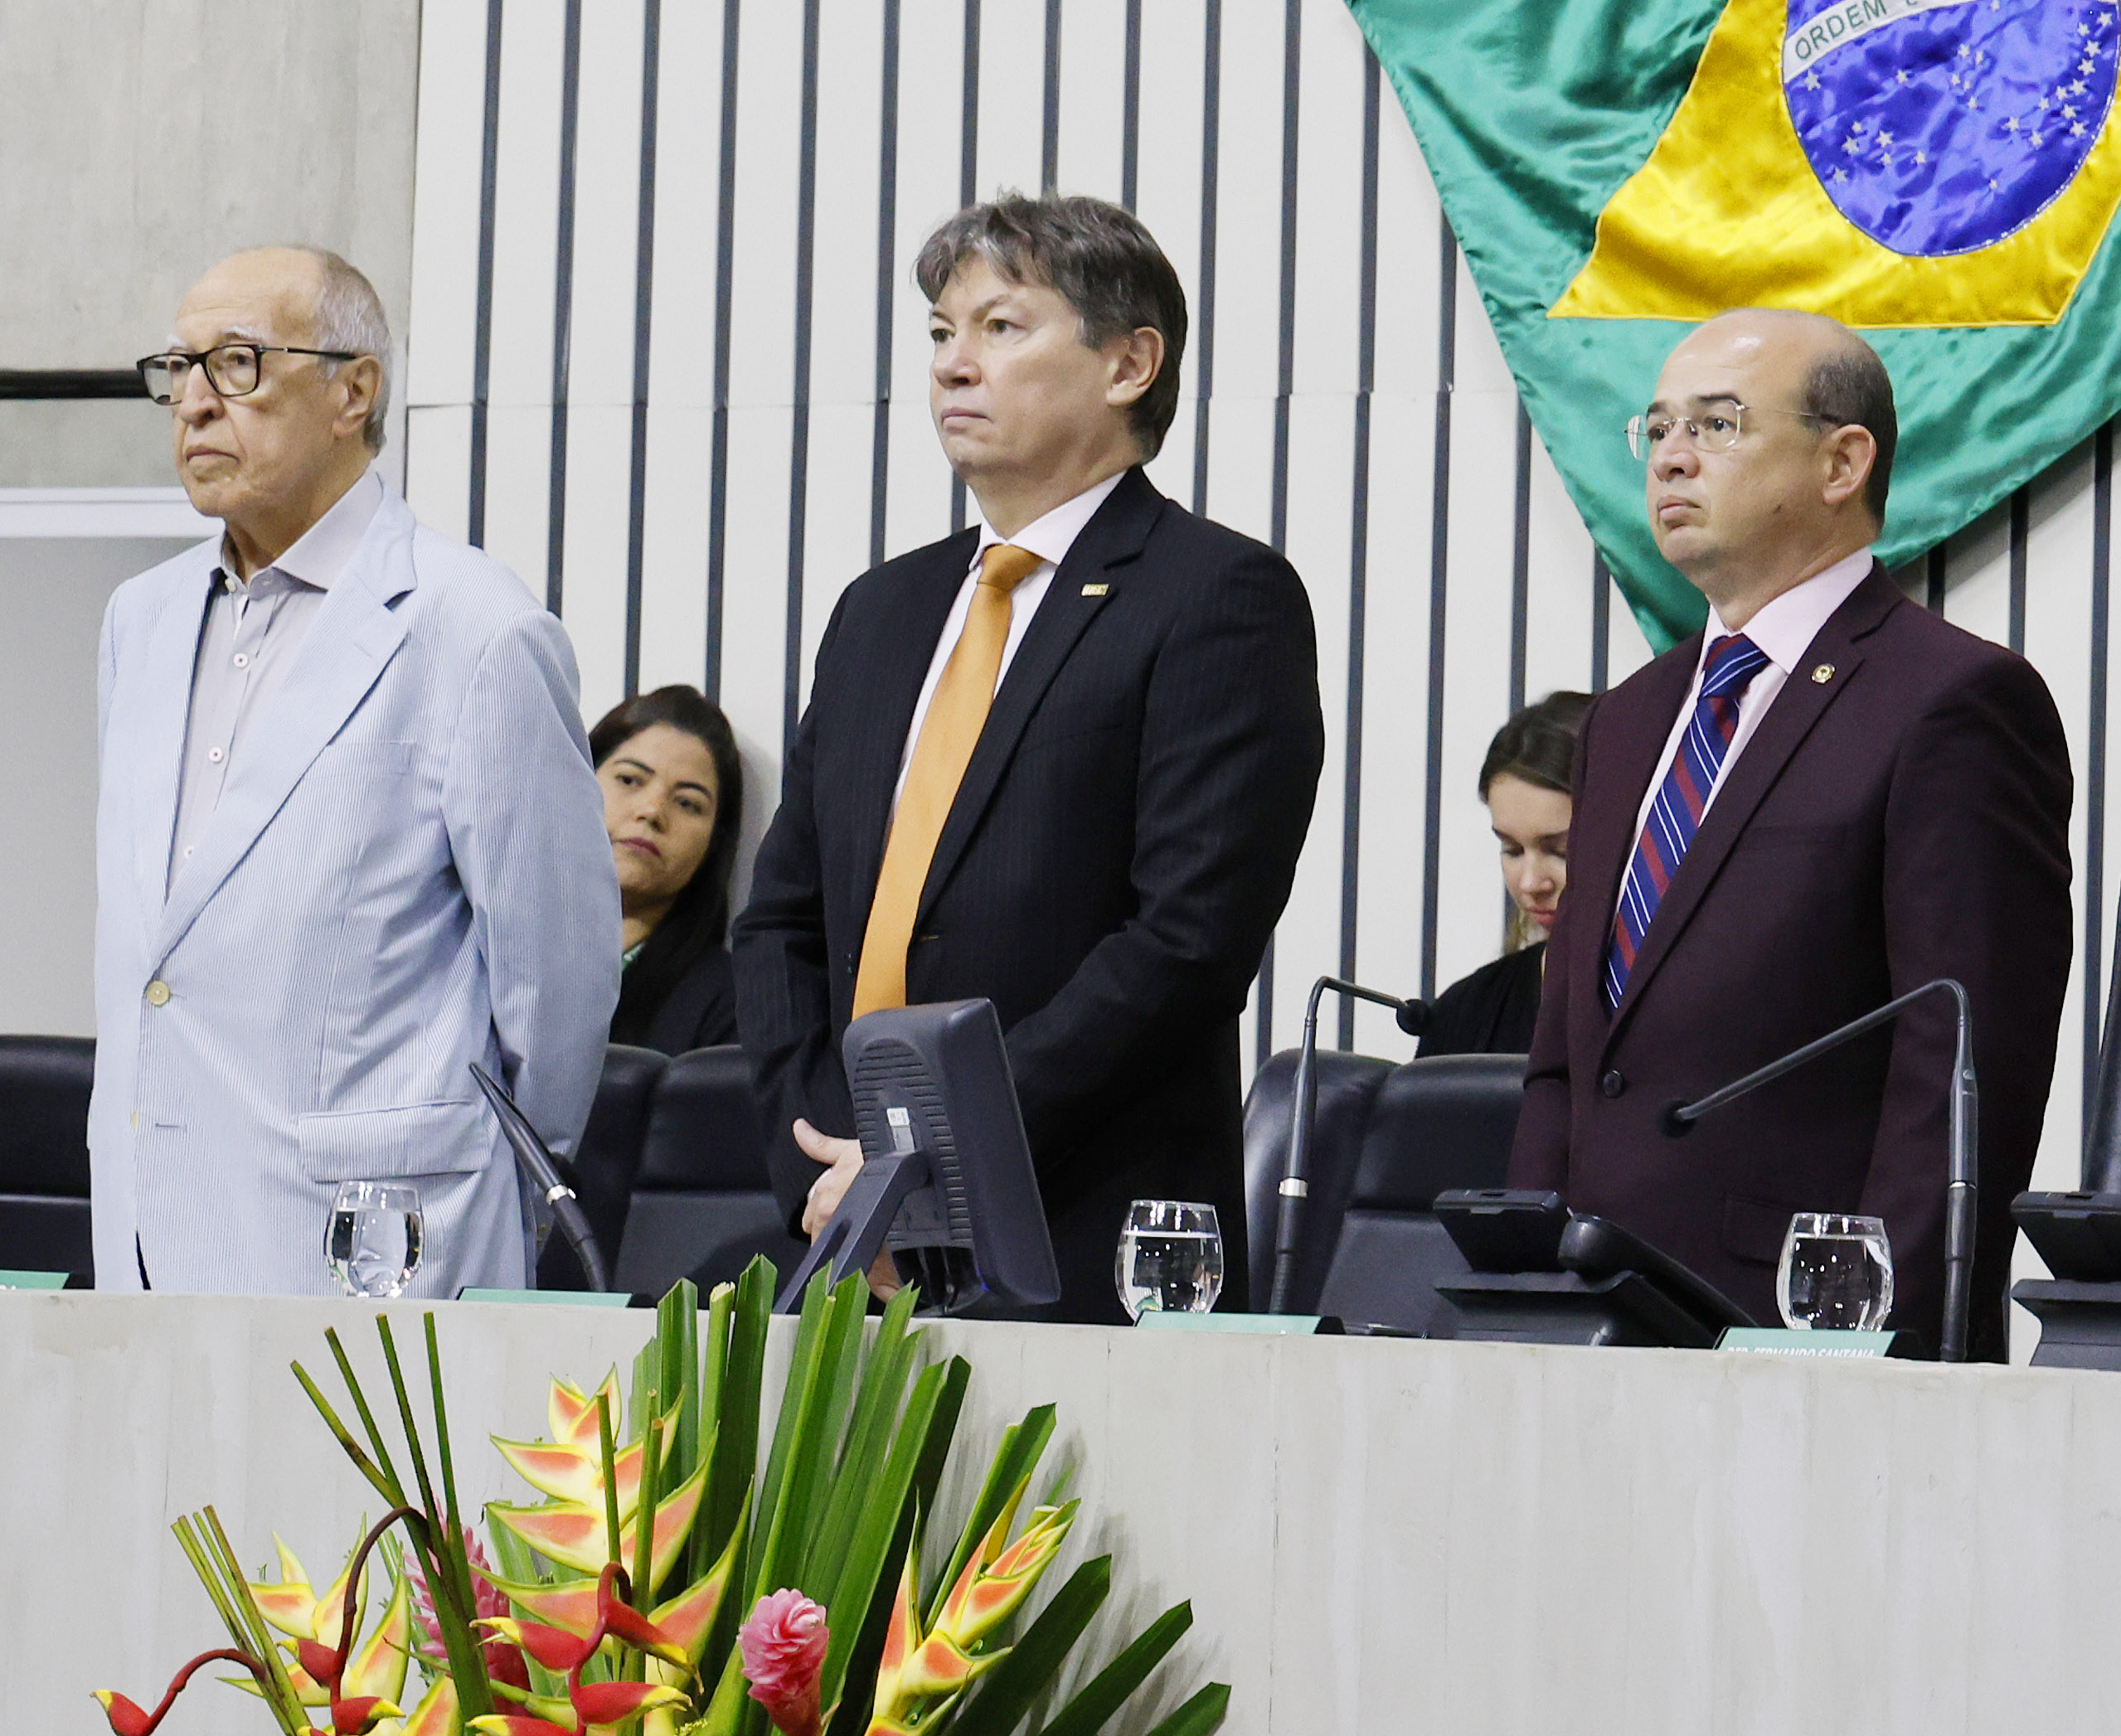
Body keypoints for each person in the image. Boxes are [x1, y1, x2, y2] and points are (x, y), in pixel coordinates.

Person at [735, 195, 1327, 1325]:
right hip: (845, 1232)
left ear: (1129, 363)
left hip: (1084, 1240)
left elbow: (1187, 940)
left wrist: (930, 1157)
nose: (956, 365)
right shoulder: (884, 609)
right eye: (940, 333)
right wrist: (828, 1157)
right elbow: (781, 923)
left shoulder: (1214, 597)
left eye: (1002, 328)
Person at [1507, 312, 2074, 1359]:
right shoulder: (1629, 718)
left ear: (1841, 459)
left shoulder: (1951, 700)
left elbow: (1959, 1063)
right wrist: (1521, 1283)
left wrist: (1873, 1340)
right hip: (1585, 1321)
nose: (1672, 454)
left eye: (1717, 425)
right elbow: (1567, 1056)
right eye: (1660, 427)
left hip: (1799, 1333)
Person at [89, 247, 610, 1297]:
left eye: (234, 364)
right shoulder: (137, 619)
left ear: (352, 390)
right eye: (177, 369)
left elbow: (557, 986)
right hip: (147, 1215)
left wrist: (497, 1194)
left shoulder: (475, 627)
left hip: (378, 1237)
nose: (192, 403)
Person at [1412, 692, 1586, 1058]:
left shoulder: (1698, 1006)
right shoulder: (1463, 1017)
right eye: (1512, 850)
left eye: (1560, 851)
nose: (1530, 883)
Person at [595, 684, 750, 1055]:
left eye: (687, 803)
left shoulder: (729, 1006)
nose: (652, 810)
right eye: (630, 780)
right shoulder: (483, 952)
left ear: (714, 840)